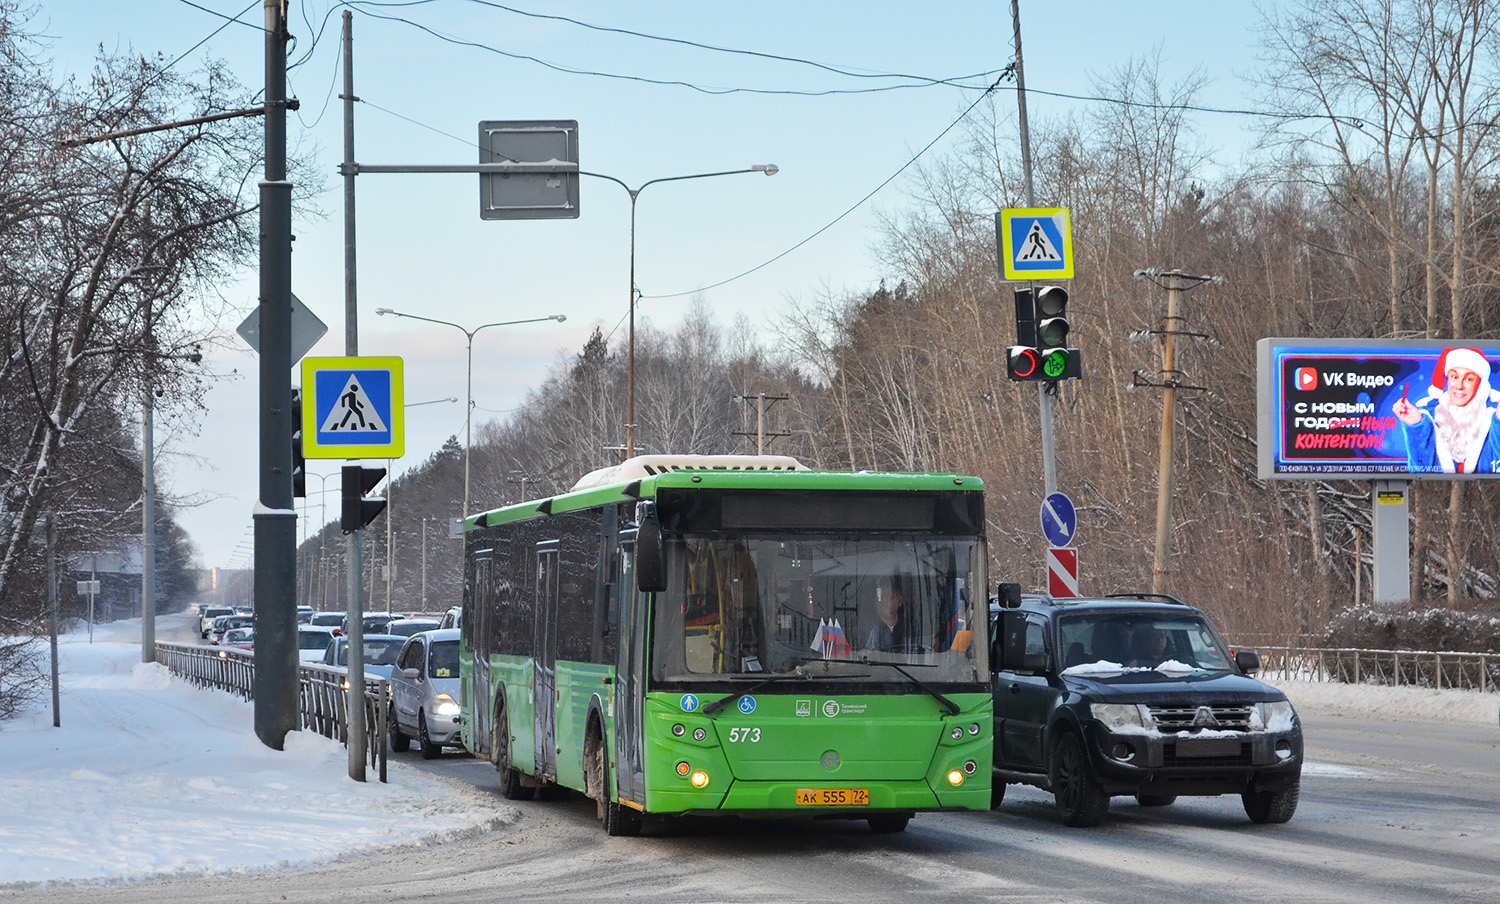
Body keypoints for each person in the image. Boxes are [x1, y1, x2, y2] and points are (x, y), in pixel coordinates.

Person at [1392, 348, 1500, 473]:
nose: (1459, 386)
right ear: (1447, 379)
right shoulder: (1431, 418)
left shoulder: (1492, 420)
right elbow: (1419, 473)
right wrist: (1416, 427)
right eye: (1454, 377)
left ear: (1480, 384)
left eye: (1469, 379)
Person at [866, 580, 916, 652]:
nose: (885, 601)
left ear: (900, 601)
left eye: (890, 597)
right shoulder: (869, 629)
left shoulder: (911, 628)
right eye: (881, 598)